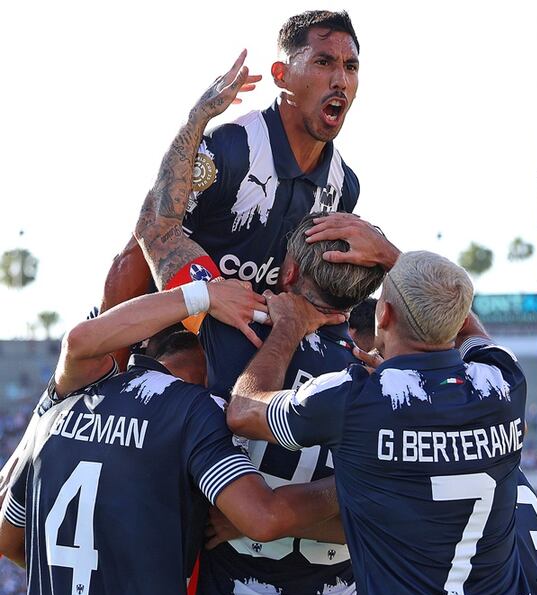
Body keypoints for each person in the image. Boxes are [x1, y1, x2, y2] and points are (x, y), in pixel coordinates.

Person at [0, 280, 343, 595]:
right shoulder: (194, 411)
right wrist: (353, 484)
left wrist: (203, 294)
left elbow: (9, 540)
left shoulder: (59, 411)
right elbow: (263, 517)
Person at [225, 251, 537, 595]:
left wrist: (287, 327)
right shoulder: (504, 380)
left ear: (384, 313)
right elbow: (470, 332)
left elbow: (244, 410)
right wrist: (394, 256)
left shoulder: (357, 398)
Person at [101, 10, 369, 347]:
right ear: (281, 75)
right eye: (323, 62)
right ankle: (101, 378)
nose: (340, 81)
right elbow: (150, 233)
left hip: (255, 344)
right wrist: (204, 298)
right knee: (138, 245)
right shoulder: (230, 149)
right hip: (175, 335)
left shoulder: (344, 186)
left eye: (351, 67)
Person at [192, 211, 387, 595]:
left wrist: (262, 518)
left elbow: (159, 241)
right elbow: (380, 515)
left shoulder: (233, 329)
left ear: (291, 270)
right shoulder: (383, 377)